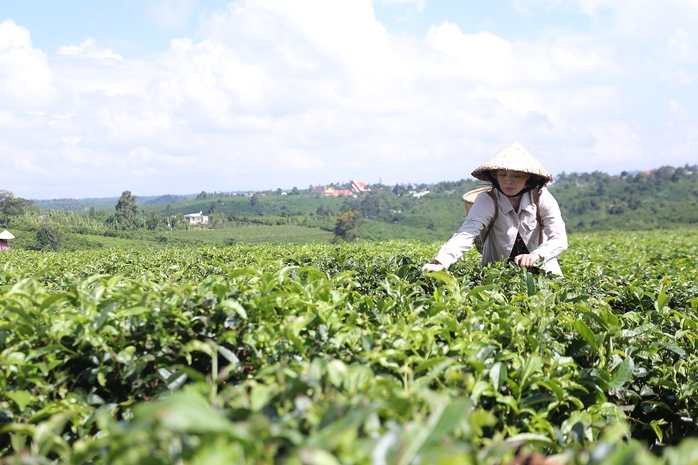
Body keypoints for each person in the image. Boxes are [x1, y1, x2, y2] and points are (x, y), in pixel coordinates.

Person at [422, 142, 568, 275]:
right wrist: (440, 262)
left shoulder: (540, 197)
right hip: (497, 278)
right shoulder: (487, 200)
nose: (508, 181)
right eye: (502, 175)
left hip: (543, 274)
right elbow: (466, 233)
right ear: (495, 176)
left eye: (516, 176)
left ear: (527, 177)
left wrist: (535, 255)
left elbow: (560, 239)